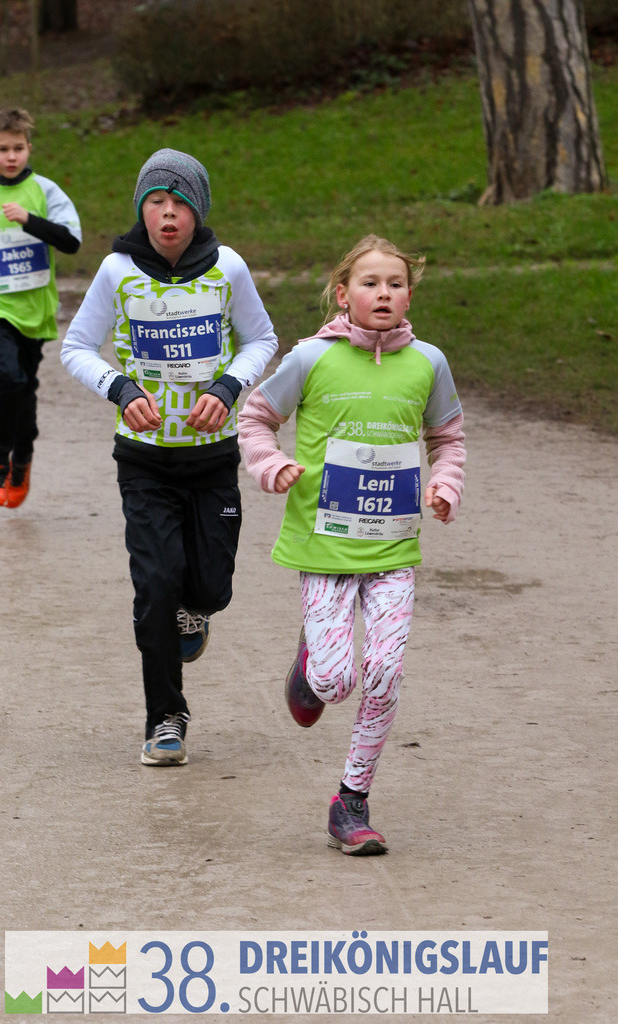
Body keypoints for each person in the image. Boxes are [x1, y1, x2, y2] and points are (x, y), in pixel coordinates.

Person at [238, 234, 466, 855]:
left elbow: (447, 438)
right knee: (338, 682)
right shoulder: (311, 359)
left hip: (392, 551)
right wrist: (271, 465)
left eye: (395, 283)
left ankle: (351, 800)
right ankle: (312, 668)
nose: (383, 293)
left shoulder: (429, 363)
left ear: (409, 294)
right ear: (344, 295)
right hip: (324, 548)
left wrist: (444, 483)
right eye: (370, 283)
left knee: (385, 672)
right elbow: (255, 417)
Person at [61, 148, 278, 767]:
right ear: (142, 210)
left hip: (213, 459)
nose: (168, 214)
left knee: (209, 586)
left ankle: (197, 612)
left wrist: (228, 387)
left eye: (180, 202)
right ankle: (165, 718)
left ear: (198, 210)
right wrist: (121, 390)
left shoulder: (227, 269)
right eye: (156, 202)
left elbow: (262, 337)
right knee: (155, 585)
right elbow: (76, 347)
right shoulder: (117, 271)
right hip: (145, 461)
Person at [0, 107, 81, 507]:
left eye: (18, 148)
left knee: (25, 387)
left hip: (33, 308)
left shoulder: (45, 191)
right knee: (6, 377)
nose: (11, 156)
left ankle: (22, 459)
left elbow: (71, 242)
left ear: (28, 149)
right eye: (3, 149)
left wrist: (29, 220)